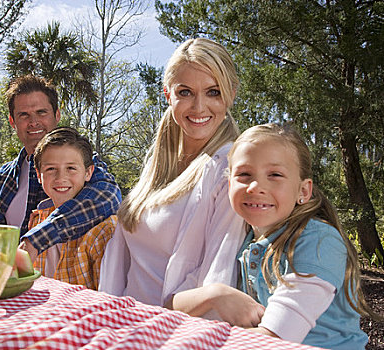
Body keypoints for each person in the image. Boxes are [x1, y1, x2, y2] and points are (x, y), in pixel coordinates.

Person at [98, 38, 261, 324]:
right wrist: (107, 318)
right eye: (185, 92)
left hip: (169, 332)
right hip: (122, 323)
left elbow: (216, 275)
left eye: (213, 92)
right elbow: (121, 259)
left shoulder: (229, 169)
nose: (199, 107)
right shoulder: (158, 163)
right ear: (167, 94)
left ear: (231, 95)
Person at [226, 123, 376, 349]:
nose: (255, 187)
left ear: (303, 191)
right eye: (244, 174)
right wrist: (211, 295)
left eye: (275, 175)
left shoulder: (318, 242)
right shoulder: (243, 240)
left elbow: (275, 339)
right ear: (229, 183)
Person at [0, 75, 121, 258]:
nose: (33, 122)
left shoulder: (82, 164)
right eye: (24, 115)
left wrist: (35, 241)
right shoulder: (2, 178)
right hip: (2, 280)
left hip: (61, 283)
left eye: (41, 112)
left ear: (57, 115)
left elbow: (108, 197)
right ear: (12, 122)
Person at [28, 127, 117, 290]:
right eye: (50, 169)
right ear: (39, 175)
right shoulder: (37, 220)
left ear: (88, 172)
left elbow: (109, 299)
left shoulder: (103, 231)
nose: (61, 177)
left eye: (71, 168)